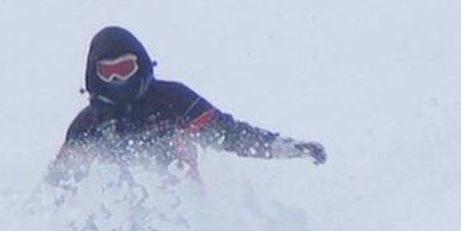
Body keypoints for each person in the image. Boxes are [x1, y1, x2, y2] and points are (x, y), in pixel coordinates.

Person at [48, 26, 326, 186]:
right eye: (109, 73)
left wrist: (287, 148)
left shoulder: (172, 100)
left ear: (141, 65)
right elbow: (58, 182)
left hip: (179, 219)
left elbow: (228, 133)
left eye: (125, 68)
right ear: (94, 76)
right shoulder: (88, 125)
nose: (119, 79)